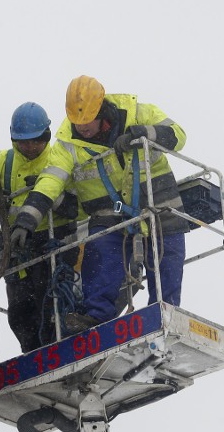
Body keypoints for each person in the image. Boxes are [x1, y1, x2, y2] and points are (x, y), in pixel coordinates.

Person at [10, 76, 189, 334]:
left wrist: (142, 133)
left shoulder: (137, 112)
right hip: (110, 211)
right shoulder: (67, 144)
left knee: (166, 258)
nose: (82, 128)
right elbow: (51, 180)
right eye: (76, 122)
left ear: (101, 109)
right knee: (101, 251)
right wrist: (27, 219)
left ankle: (165, 315)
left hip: (158, 201)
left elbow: (179, 135)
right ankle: (95, 318)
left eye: (87, 121)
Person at [0, 102, 80, 352]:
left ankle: (54, 350)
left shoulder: (61, 160)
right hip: (17, 246)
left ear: (46, 136)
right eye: (23, 142)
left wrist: (52, 196)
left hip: (53, 242)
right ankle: (32, 354)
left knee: (50, 304)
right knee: (20, 312)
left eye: (35, 141)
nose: (29, 147)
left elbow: (79, 208)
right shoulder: (2, 162)